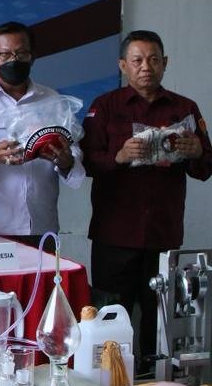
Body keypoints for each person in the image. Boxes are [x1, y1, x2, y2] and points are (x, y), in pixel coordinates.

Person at [81, 30, 212, 366]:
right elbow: (86, 163)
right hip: (115, 235)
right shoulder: (104, 107)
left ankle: (157, 379)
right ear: (123, 65)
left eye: (153, 60)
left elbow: (205, 168)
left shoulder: (184, 108)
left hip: (163, 234)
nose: (146, 67)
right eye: (137, 60)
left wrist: (197, 152)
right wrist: (120, 156)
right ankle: (109, 383)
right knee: (110, 317)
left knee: (162, 318)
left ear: (165, 63)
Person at [0, 21, 85, 240]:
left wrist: (66, 161)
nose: (14, 60)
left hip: (40, 228)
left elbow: (74, 153)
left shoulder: (52, 100)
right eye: (5, 55)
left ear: (32, 57)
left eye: (21, 54)